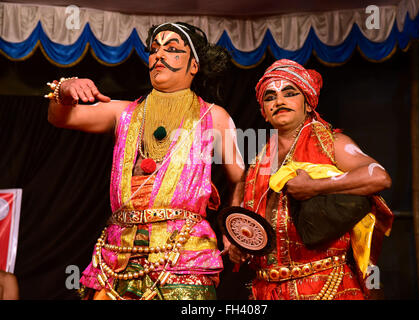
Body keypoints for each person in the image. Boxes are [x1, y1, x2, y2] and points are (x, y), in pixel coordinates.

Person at [47, 22, 245, 300]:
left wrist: (236, 233)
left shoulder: (214, 117)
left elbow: (241, 178)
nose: (159, 55)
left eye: (173, 49)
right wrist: (64, 88)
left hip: (184, 254)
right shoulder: (124, 112)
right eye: (154, 50)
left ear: (194, 66)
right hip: (118, 253)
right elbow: (61, 117)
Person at [227, 59, 393, 300]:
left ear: (307, 104)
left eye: (289, 93)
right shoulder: (256, 164)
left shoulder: (332, 144)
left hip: (327, 286)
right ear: (264, 112)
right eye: (270, 97)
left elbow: (380, 177)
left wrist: (314, 187)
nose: (279, 101)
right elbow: (247, 222)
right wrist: (239, 246)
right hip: (266, 290)